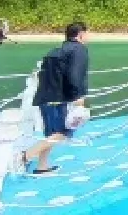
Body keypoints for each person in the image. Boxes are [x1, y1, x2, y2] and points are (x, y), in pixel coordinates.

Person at [19, 22, 90, 176]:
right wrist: (78, 96)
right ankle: (25, 157)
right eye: (87, 33)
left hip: (44, 97)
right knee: (63, 132)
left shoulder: (55, 51)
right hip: (59, 99)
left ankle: (42, 166)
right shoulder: (79, 50)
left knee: (51, 133)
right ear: (80, 35)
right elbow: (75, 75)